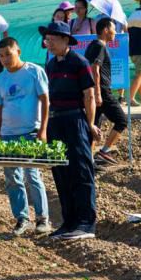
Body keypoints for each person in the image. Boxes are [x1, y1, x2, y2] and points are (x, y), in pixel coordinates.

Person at [41, 21, 100, 241]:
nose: (49, 43)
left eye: (53, 39)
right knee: (61, 171)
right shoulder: (50, 65)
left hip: (75, 120)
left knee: (81, 171)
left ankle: (86, 223)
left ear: (66, 40)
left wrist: (90, 124)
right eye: (48, 39)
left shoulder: (79, 62)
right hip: (56, 122)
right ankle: (69, 222)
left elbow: (89, 95)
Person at [0, 37, 50, 237]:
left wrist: (43, 130)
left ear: (18, 51)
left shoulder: (34, 72)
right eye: (0, 56)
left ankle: (43, 219)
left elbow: (45, 101)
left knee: (32, 175)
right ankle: (22, 218)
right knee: (12, 179)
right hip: (8, 135)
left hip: (30, 132)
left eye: (8, 54)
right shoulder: (0, 79)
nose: (5, 59)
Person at [84, 19, 127, 166]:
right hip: (101, 91)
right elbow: (95, 70)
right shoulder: (99, 47)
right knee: (122, 120)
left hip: (96, 91)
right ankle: (104, 152)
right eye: (113, 28)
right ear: (106, 30)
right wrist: (97, 93)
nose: (115, 32)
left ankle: (88, 161)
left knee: (93, 127)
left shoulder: (92, 46)